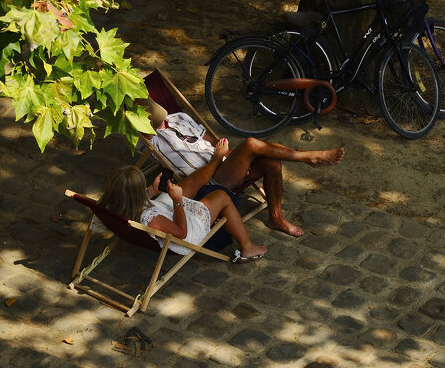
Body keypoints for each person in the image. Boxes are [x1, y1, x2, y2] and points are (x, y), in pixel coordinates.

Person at [143, 98, 345, 238]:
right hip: (209, 180)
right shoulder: (149, 139)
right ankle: (307, 156)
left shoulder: (178, 117)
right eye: (155, 121)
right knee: (250, 143)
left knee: (271, 162)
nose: (160, 123)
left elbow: (214, 140)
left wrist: (236, 161)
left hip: (225, 164)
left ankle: (276, 217)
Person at [98, 156, 268, 262]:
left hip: (163, 213)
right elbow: (181, 233)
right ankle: (247, 247)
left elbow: (135, 200)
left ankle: (216, 160)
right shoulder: (151, 219)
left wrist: (152, 191)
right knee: (221, 197)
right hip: (185, 234)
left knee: (188, 184)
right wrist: (178, 201)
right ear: (135, 193)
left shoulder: (110, 204)